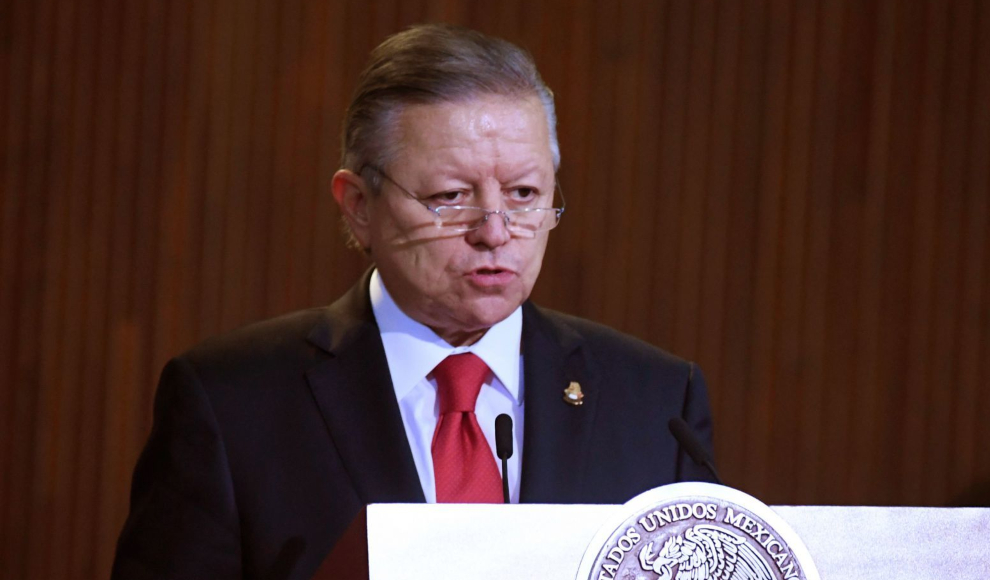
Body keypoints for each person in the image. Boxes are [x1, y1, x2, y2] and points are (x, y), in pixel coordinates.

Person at [112, 23, 714, 579]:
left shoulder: (658, 404)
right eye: (451, 196)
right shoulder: (233, 402)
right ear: (359, 205)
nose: (496, 231)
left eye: (525, 193)